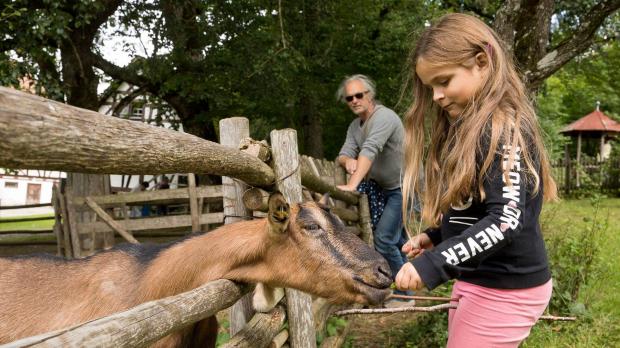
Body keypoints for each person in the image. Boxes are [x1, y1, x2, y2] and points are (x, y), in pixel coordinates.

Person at [396, 13, 558, 347]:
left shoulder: (504, 130)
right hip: (479, 278)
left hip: (505, 288)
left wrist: (434, 264)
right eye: (431, 88)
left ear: (481, 62)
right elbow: (481, 208)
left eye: (444, 81)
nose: (437, 96)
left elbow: (505, 221)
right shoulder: (469, 128)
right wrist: (438, 235)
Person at [335, 74, 414, 307]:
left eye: (360, 95)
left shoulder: (384, 118)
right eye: (349, 98)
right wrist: (346, 160)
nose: (355, 100)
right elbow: (345, 151)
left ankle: (403, 295)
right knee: (399, 241)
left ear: (370, 95)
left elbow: (370, 150)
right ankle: (412, 285)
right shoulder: (355, 125)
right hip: (386, 189)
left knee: (384, 239)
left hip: (404, 187)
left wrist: (352, 183)